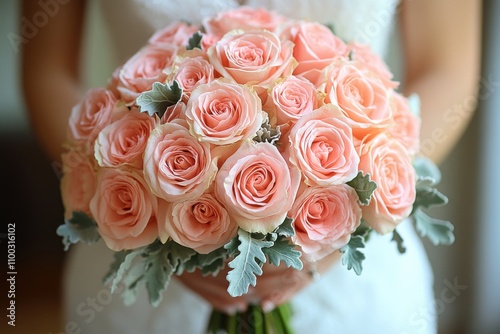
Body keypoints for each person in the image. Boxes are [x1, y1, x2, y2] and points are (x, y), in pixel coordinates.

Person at [21, 0, 481, 333]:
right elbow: (46, 71)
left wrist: (342, 222)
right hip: (136, 274)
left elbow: (449, 67)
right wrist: (163, 221)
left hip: (353, 287)